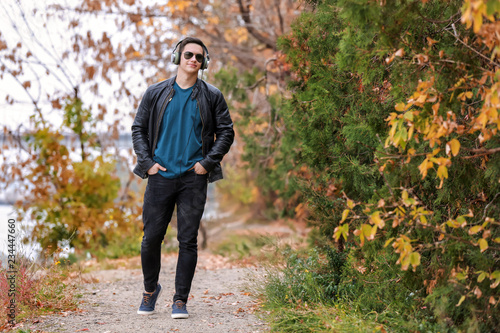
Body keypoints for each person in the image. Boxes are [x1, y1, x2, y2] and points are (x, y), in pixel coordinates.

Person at [131, 37, 234, 319]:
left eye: (199, 57)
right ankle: (150, 290)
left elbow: (226, 131)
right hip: (160, 176)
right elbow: (138, 128)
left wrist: (207, 163)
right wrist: (148, 163)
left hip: (193, 178)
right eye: (188, 54)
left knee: (187, 240)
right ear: (178, 57)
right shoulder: (156, 92)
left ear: (204, 63)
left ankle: (180, 300)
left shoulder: (212, 95)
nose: (193, 60)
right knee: (151, 239)